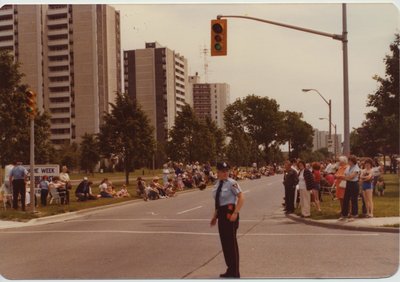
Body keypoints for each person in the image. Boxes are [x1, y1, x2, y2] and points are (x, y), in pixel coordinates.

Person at [210, 162, 244, 278]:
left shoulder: (232, 183)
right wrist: (215, 216)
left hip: (230, 214)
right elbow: (218, 202)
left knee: (231, 243)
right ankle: (230, 269)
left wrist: (236, 212)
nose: (225, 173)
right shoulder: (217, 184)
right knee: (225, 243)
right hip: (221, 214)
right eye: (222, 171)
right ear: (218, 172)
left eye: (226, 171)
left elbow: (241, 197)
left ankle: (235, 272)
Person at [339, 155, 361, 221]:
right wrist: (346, 177)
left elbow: (351, 177)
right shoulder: (348, 167)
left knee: (354, 200)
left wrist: (346, 177)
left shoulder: (356, 168)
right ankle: (344, 214)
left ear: (353, 161)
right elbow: (345, 175)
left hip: (354, 184)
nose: (348, 162)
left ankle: (354, 214)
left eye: (350, 161)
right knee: (346, 199)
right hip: (348, 184)